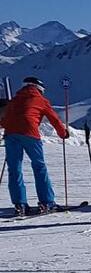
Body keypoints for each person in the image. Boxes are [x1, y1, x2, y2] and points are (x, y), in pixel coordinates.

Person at [1, 76, 67, 216]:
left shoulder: (15, 99)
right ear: (39, 88)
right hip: (30, 133)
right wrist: (63, 133)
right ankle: (47, 202)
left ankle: (20, 205)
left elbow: (5, 119)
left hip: (11, 134)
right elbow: (54, 119)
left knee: (14, 169)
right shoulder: (41, 100)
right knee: (39, 166)